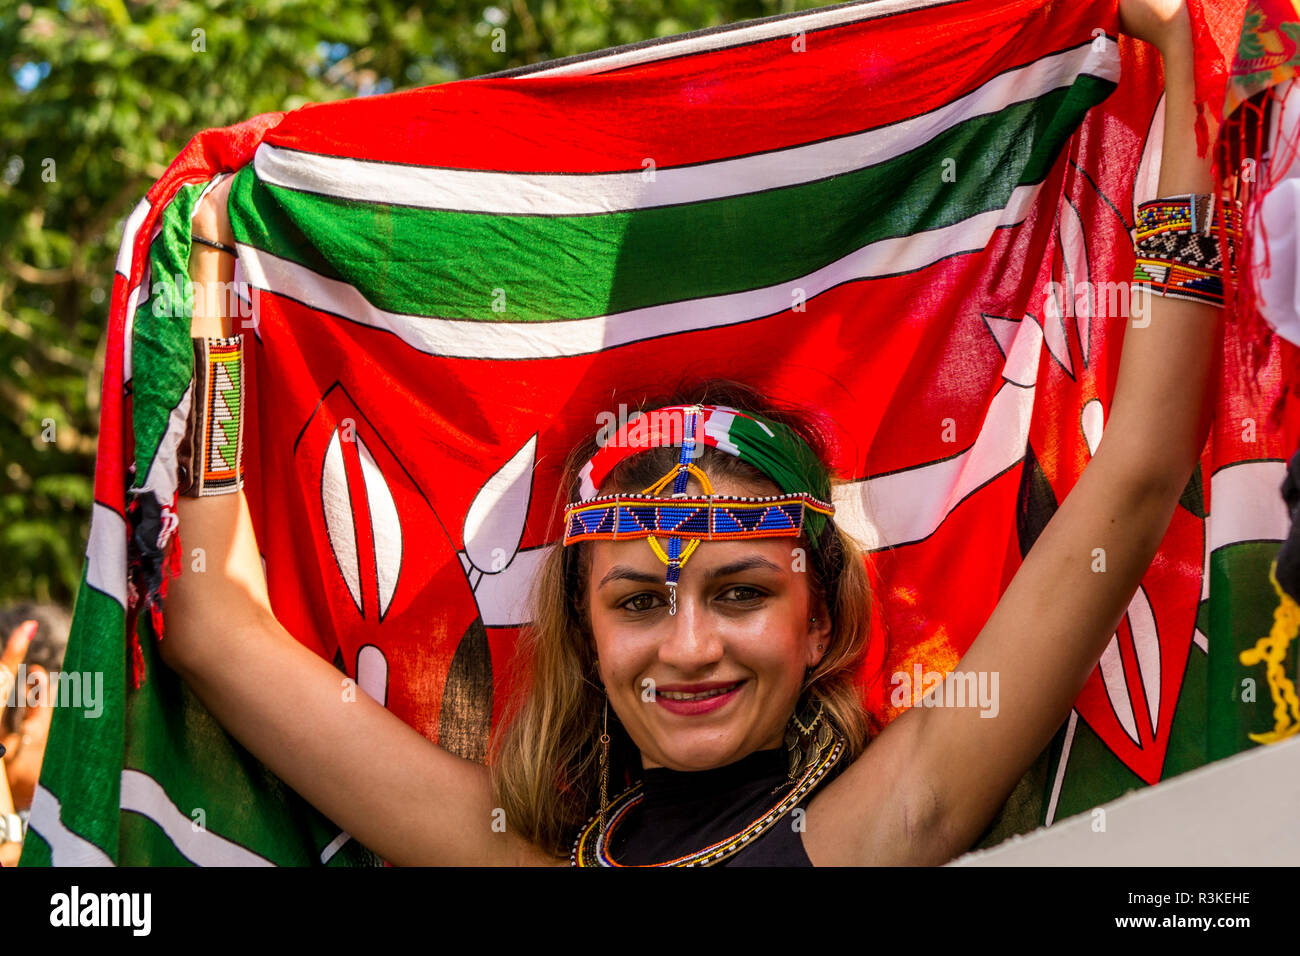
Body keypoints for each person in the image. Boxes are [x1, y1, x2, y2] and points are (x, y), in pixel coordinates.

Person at [160, 0, 1236, 865]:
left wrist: (1191, 67)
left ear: (820, 622)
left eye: (741, 589)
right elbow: (212, 627)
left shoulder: (882, 826)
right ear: (582, 634)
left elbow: (1137, 470)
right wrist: (217, 300)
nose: (686, 645)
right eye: (637, 599)